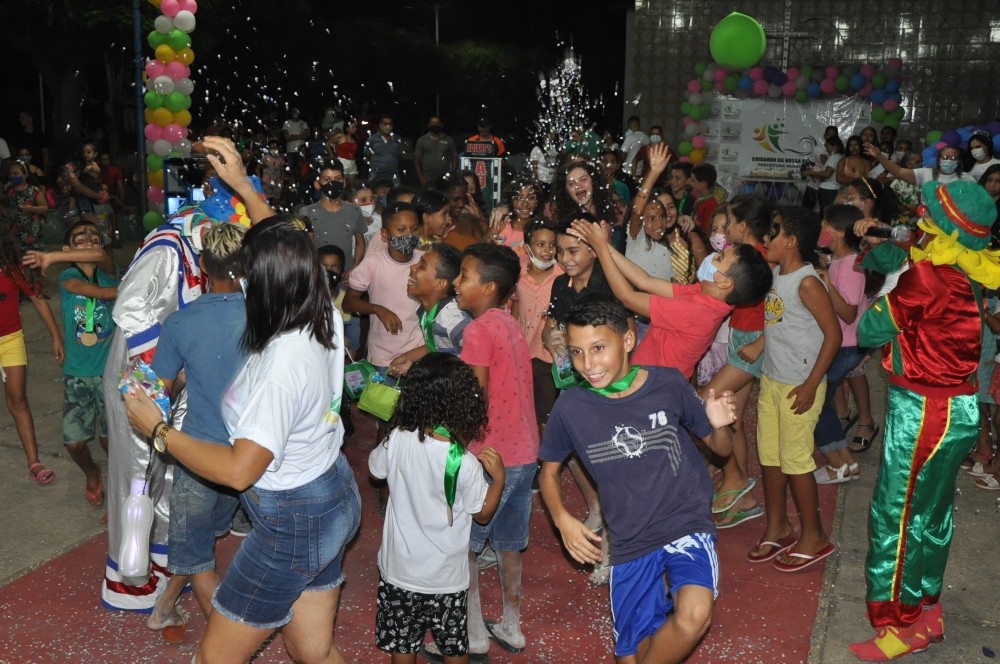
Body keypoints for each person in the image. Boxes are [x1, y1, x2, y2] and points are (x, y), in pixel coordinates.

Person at [124, 214, 360, 663]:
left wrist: (158, 430)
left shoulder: (280, 367)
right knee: (313, 651)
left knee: (214, 659)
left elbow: (239, 470)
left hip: (293, 522)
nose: (243, 282)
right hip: (332, 497)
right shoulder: (320, 310)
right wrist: (241, 185)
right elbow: (290, 244)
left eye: (250, 274)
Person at [538, 292, 737, 664]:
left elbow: (721, 450)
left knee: (693, 616)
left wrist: (719, 425)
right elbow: (548, 471)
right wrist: (562, 519)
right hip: (629, 536)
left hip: (685, 520)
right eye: (577, 352)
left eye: (598, 348)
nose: (588, 363)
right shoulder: (571, 407)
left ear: (627, 340)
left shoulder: (667, 384)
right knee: (633, 654)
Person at [849, 180, 1000, 659]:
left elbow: (870, 329)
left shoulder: (927, 277)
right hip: (960, 407)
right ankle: (928, 610)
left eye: (926, 218)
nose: (918, 222)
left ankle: (899, 622)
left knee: (894, 516)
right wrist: (898, 256)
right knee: (933, 515)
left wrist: (897, 280)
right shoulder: (966, 271)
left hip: (923, 410)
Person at [423, 243, 538, 661]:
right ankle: (512, 623)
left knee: (464, 546)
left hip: (490, 457)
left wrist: (444, 437)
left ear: (488, 287)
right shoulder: (507, 321)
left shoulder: (476, 330)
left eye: (465, 276)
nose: (456, 282)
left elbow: (476, 399)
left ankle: (471, 633)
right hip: (524, 453)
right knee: (509, 543)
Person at [144, 222, 247, 641]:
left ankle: (222, 644)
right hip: (255, 453)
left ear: (203, 266)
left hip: (201, 455)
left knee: (193, 551)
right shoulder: (268, 317)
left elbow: (155, 392)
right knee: (205, 537)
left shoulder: (181, 324)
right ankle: (166, 608)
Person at [370, 353, 505, 664]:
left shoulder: (398, 439)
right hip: (446, 579)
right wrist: (498, 479)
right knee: (454, 649)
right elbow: (482, 514)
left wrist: (393, 425)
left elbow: (375, 471)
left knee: (402, 648)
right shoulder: (465, 464)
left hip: (399, 573)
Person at [747, 205, 841, 572]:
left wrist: (810, 384)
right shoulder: (775, 274)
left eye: (774, 232)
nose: (767, 238)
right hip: (772, 380)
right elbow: (781, 323)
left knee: (797, 461)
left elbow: (832, 336)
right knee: (770, 456)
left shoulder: (806, 282)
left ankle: (814, 535)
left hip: (800, 385)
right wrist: (760, 345)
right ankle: (778, 525)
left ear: (793, 240)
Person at [571, 217, 773, 382]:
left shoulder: (698, 311)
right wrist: (606, 247)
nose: (712, 256)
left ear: (724, 283)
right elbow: (645, 281)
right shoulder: (702, 295)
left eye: (720, 258)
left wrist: (600, 250)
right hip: (651, 379)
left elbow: (628, 298)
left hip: (656, 386)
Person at [704, 195, 773, 527]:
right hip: (741, 338)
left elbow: (782, 308)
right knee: (732, 421)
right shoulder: (741, 256)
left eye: (729, 222)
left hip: (750, 344)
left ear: (743, 226)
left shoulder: (761, 259)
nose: (726, 228)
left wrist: (762, 341)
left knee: (706, 401)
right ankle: (744, 497)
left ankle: (734, 480)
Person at [56, 220, 119, 508]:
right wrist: (125, 292)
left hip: (109, 372)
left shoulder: (109, 272)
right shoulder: (67, 276)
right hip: (78, 372)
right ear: (67, 250)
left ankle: (117, 486)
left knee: (111, 441)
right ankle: (92, 471)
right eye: (80, 237)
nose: (89, 238)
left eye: (94, 235)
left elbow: (102, 260)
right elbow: (97, 293)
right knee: (75, 443)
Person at [0, 223, 65, 487]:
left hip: (10, 339)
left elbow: (38, 299)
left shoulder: (12, 267)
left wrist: (55, 336)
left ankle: (34, 463)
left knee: (17, 399)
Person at [812, 205, 866, 483]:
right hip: (839, 343)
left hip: (845, 345)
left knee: (815, 404)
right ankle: (846, 464)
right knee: (821, 403)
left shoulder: (851, 265)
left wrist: (826, 282)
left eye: (826, 226)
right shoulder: (837, 261)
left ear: (841, 233)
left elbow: (848, 313)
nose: (822, 230)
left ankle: (839, 465)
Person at [387, 242, 471, 377]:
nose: (413, 267)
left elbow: (477, 358)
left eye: (422, 266)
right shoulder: (427, 311)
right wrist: (409, 357)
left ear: (440, 284)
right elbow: (438, 344)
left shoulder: (453, 320)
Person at [511, 219, 563, 432]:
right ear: (527, 247)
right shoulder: (519, 274)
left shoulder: (562, 275)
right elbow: (515, 310)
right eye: (541, 244)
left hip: (547, 356)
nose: (548, 250)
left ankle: (547, 460)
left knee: (546, 412)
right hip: (522, 353)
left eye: (552, 245)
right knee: (524, 409)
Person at [298, 161, 367, 271]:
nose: (333, 183)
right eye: (327, 179)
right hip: (318, 276)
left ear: (344, 182)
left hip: (346, 275)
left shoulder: (354, 210)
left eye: (338, 179)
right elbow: (303, 249)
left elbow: (360, 243)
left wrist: (354, 267)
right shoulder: (307, 213)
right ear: (317, 184)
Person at [4, 159, 48, 252]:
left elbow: (45, 208)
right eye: (11, 174)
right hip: (14, 229)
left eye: (16, 173)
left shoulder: (34, 190)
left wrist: (31, 209)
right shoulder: (8, 190)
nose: (12, 176)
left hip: (31, 230)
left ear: (25, 175)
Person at [414, 115, 458, 187]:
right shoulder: (422, 140)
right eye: (433, 122)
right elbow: (416, 159)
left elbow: (454, 157)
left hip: (444, 178)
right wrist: (420, 177)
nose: (435, 124)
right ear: (428, 125)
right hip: (427, 178)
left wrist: (452, 174)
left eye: (437, 123)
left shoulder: (448, 139)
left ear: (441, 125)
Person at [804, 136, 845, 213]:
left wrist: (812, 173)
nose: (826, 150)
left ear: (835, 147)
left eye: (828, 147)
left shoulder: (834, 157)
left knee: (825, 213)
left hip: (828, 190)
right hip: (833, 189)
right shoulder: (840, 157)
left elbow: (827, 174)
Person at [365, 113, 405, 184]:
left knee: (396, 194)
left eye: (390, 124)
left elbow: (400, 155)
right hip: (376, 175)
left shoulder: (397, 138)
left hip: (393, 174)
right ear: (380, 125)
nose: (388, 126)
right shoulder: (372, 139)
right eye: (385, 124)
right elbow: (367, 156)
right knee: (373, 194)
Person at [690, 163, 720, 230]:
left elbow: (707, 228)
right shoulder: (700, 197)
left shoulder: (711, 204)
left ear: (703, 184)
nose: (690, 183)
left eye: (693, 180)